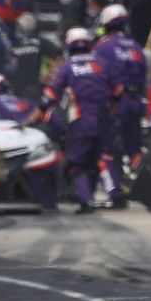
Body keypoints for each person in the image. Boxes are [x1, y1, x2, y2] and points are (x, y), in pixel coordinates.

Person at [40, 27, 123, 213]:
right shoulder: (103, 64)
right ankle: (115, 194)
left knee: (76, 163)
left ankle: (86, 201)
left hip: (81, 120)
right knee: (101, 157)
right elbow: (118, 92)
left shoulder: (67, 67)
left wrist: (41, 111)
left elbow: (50, 96)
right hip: (104, 118)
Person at [93, 3, 148, 185]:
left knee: (104, 148)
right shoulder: (136, 46)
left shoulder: (103, 47)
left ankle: (114, 193)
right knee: (134, 148)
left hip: (115, 103)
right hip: (136, 101)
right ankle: (149, 184)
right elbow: (144, 74)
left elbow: (99, 78)